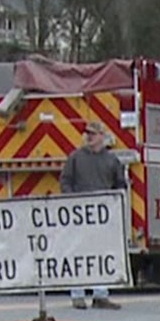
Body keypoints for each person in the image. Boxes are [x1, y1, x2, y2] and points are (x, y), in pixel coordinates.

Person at [60, 120, 125, 310]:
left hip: (103, 216)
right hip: (79, 215)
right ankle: (77, 295)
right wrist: (73, 201)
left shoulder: (111, 160)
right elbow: (65, 181)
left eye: (93, 133)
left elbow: (120, 184)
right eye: (87, 133)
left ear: (102, 137)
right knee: (79, 253)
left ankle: (100, 294)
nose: (89, 136)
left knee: (102, 254)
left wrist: (114, 204)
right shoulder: (75, 157)